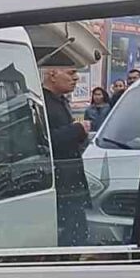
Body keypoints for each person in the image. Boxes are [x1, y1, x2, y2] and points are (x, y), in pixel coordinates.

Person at [42, 67, 92, 246]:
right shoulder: (43, 103)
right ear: (52, 74)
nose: (76, 78)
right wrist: (78, 130)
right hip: (59, 183)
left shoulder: (60, 101)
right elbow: (45, 140)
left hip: (70, 182)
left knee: (78, 232)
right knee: (69, 237)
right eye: (71, 73)